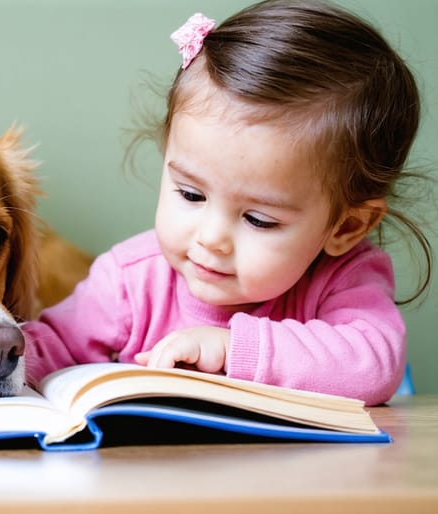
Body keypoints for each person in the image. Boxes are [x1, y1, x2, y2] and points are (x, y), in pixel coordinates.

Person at [22, 0, 432, 406]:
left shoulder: (342, 278)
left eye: (258, 219)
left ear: (345, 227)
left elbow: (375, 364)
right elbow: (47, 348)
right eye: (191, 194)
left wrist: (233, 347)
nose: (212, 238)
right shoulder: (130, 281)